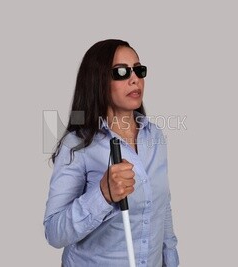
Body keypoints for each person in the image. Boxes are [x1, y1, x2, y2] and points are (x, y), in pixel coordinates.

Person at [43, 39, 180, 267]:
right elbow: (54, 232)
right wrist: (102, 195)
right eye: (122, 72)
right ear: (97, 81)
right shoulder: (77, 144)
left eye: (138, 70)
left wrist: (171, 260)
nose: (135, 79)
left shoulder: (154, 136)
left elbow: (162, 207)